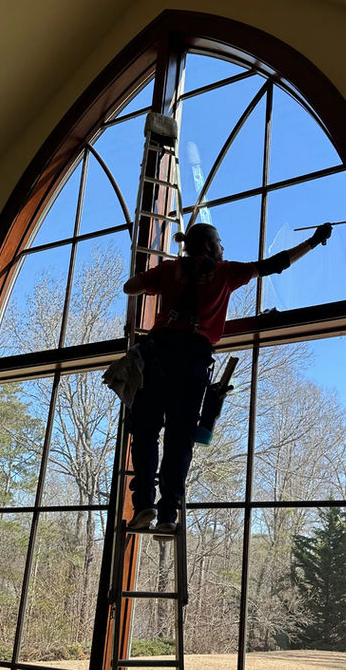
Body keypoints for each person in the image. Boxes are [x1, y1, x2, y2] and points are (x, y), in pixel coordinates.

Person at [123, 221, 333, 533]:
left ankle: (144, 505)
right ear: (209, 246)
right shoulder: (225, 272)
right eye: (220, 244)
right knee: (180, 439)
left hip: (158, 357)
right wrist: (313, 242)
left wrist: (159, 279)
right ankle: (168, 514)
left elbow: (131, 287)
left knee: (146, 431)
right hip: (193, 358)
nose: (223, 249)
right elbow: (275, 265)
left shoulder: (169, 270)